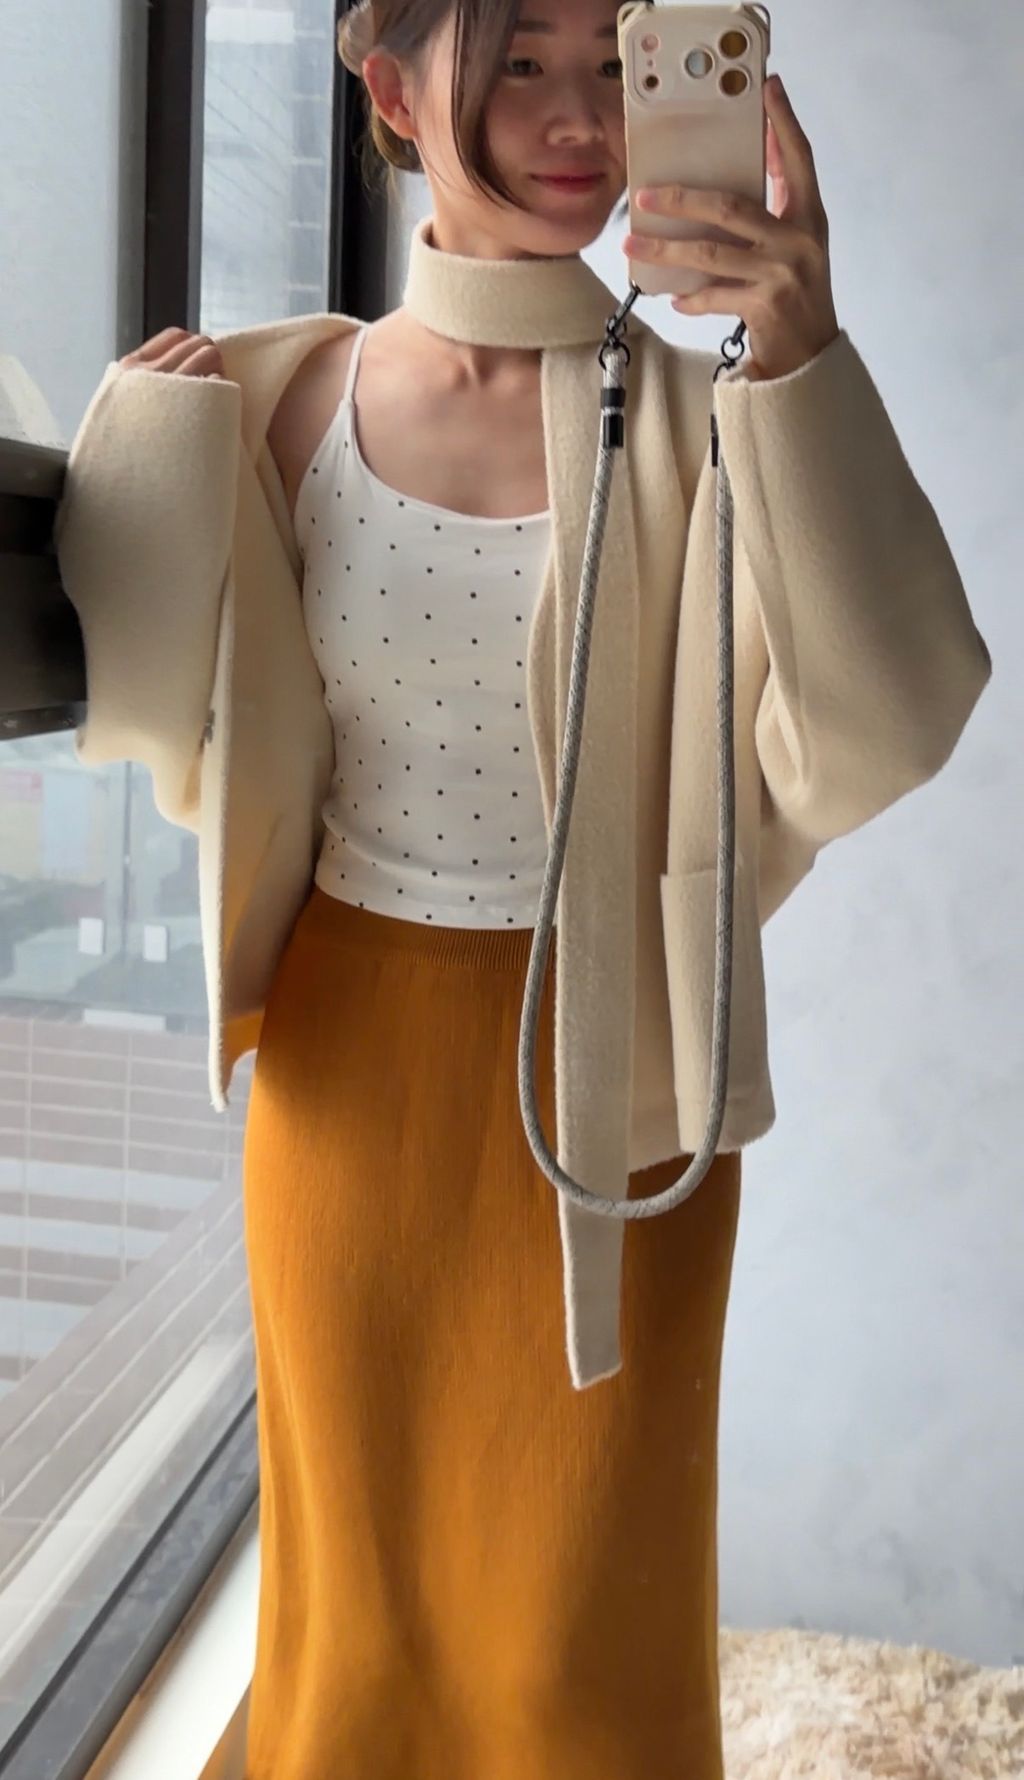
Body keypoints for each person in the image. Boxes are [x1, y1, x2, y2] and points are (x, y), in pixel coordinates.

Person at [101, 3, 990, 1776]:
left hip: (623, 1089)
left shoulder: (713, 415)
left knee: (582, 1632)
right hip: (354, 1080)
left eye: (614, 59)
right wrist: (144, 451)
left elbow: (891, 719)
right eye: (521, 60)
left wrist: (803, 348)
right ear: (388, 84)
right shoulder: (287, 405)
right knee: (359, 1614)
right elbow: (163, 737)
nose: (581, 115)